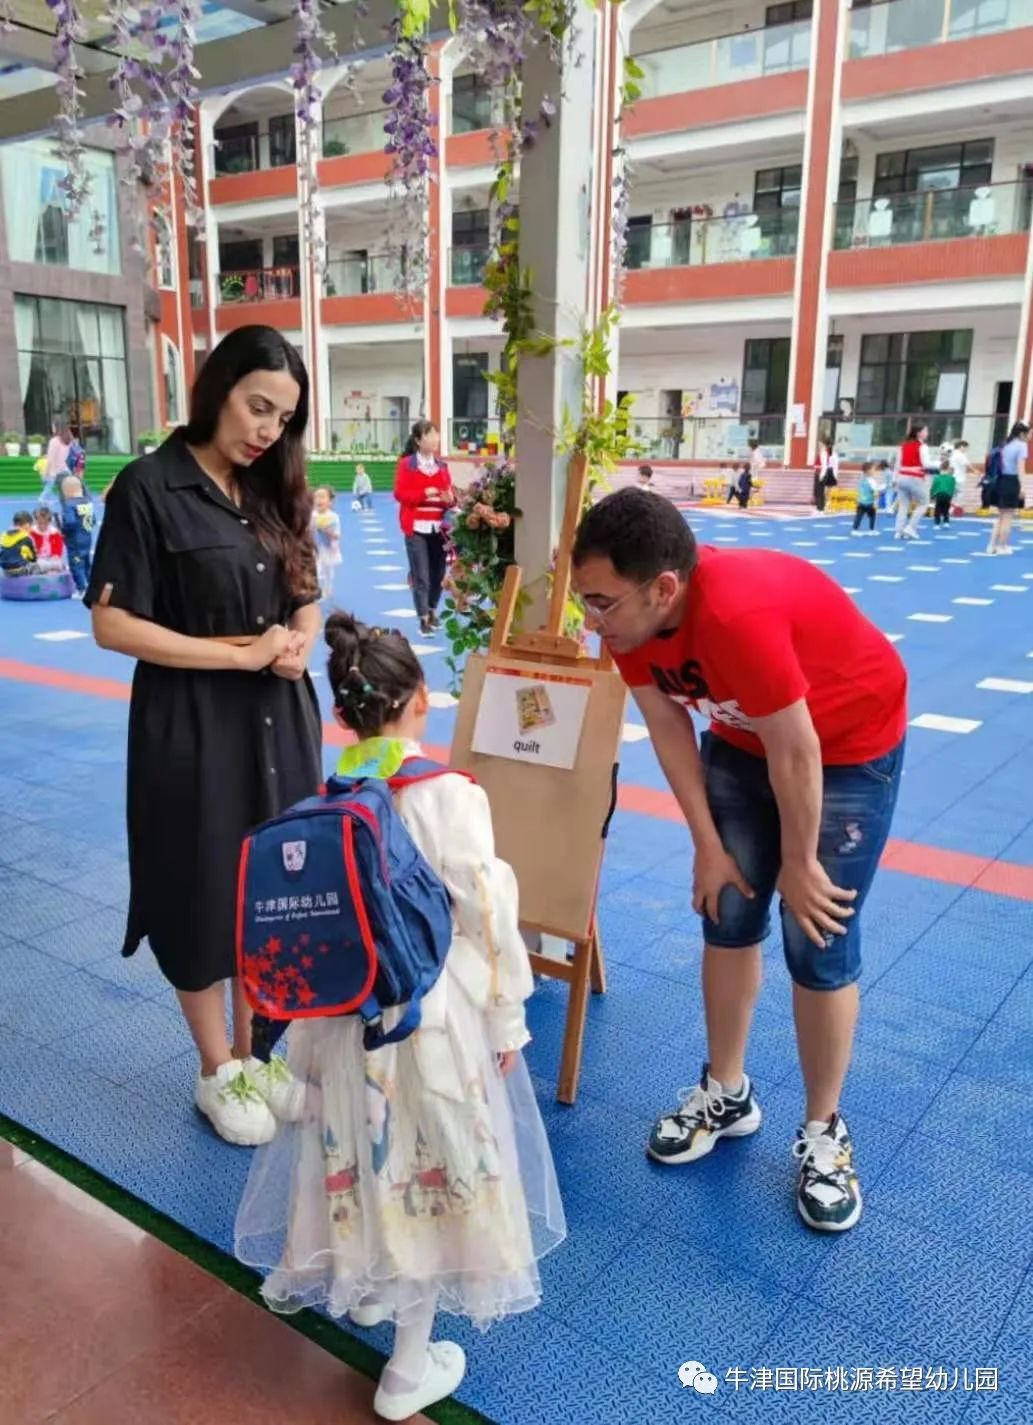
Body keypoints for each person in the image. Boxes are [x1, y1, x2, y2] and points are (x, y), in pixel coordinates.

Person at [235, 613, 565, 1421]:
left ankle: (368, 1286)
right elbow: (486, 910)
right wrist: (509, 1017)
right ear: (422, 700)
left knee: (358, 1158)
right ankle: (406, 1371)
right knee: (429, 1181)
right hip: (431, 1021)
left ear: (344, 714)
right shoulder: (449, 792)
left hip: (345, 1022)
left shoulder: (334, 793)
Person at [570, 488, 907, 1233]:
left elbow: (799, 751)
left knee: (815, 933)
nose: (590, 623)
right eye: (582, 604)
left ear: (663, 587)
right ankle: (727, 1091)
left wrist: (797, 859)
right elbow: (666, 727)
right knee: (724, 906)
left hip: (844, 746)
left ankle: (824, 1130)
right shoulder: (630, 630)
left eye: (599, 603)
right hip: (747, 739)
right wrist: (707, 847)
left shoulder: (735, 613)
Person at [85, 325, 323, 1147]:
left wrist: (297, 641)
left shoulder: (272, 487)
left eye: (284, 418)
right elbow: (112, 624)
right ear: (217, 387)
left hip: (280, 720)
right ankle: (216, 1065)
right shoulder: (148, 487)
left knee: (273, 888)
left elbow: (305, 593)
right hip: (190, 725)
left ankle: (259, 1052)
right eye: (259, 407)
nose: (268, 430)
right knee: (200, 884)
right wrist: (236, 654)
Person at [394, 419, 454, 638]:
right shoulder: (406, 465)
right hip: (416, 528)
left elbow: (450, 498)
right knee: (421, 576)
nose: (435, 439)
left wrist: (450, 498)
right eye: (430, 435)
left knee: (438, 573)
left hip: (439, 529)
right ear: (418, 441)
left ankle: (431, 610)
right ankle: (423, 619)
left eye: (436, 435)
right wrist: (423, 493)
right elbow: (400, 494)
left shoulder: (443, 467)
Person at [987, 421, 1028, 556]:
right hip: (1011, 481)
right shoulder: (1021, 446)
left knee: (1001, 515)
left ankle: (991, 545)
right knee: (1008, 516)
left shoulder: (1005, 443)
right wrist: (1023, 486)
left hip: (1000, 480)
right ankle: (1003, 546)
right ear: (1022, 434)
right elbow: (1021, 469)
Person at [58, 470, 96, 597]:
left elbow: (70, 522)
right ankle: (92, 585)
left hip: (74, 540)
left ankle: (81, 589)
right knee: (86, 562)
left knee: (75, 563)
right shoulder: (88, 502)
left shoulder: (69, 504)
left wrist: (62, 529)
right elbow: (93, 520)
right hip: (87, 537)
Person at [894, 422, 931, 541]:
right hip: (915, 477)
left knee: (903, 505)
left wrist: (895, 479)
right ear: (919, 433)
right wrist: (940, 465)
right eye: (925, 430)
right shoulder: (923, 446)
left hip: (901, 477)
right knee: (924, 503)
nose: (927, 433)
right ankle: (911, 527)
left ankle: (898, 532)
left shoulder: (903, 445)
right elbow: (926, 464)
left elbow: (897, 463)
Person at [311, 484, 342, 600]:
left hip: (328, 548)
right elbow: (308, 530)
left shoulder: (333, 517)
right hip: (315, 548)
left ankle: (327, 589)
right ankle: (317, 590)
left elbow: (336, 535)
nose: (319, 500)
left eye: (322, 497)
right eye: (316, 497)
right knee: (317, 570)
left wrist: (327, 530)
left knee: (328, 569)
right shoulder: (312, 515)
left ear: (330, 501)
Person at [41, 423, 72, 508]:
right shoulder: (69, 441)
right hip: (65, 470)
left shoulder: (54, 441)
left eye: (54, 427)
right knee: (65, 495)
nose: (53, 428)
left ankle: (43, 501)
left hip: (54, 471)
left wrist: (46, 473)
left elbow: (51, 459)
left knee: (48, 488)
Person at [0, 511, 39, 576]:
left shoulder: (3, 535)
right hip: (20, 570)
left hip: (5, 569)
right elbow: (33, 558)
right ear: (27, 524)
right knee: (37, 565)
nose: (31, 528)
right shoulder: (27, 537)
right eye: (31, 525)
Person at [31, 506, 66, 570]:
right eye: (40, 523)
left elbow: (58, 547)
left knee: (58, 565)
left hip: (51, 559)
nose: (42, 526)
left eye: (45, 523)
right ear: (36, 521)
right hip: (38, 559)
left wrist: (55, 556)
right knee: (37, 564)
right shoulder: (32, 532)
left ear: (49, 522)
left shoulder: (54, 532)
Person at [851, 461, 877, 534]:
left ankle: (855, 529)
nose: (874, 471)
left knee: (858, 516)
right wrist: (885, 486)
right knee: (872, 516)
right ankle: (871, 530)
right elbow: (875, 488)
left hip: (861, 501)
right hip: (869, 502)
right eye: (873, 469)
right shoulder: (871, 480)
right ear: (869, 471)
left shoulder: (862, 479)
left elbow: (859, 488)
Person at [930, 459, 957, 527]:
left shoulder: (937, 478)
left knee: (938, 509)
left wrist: (931, 495)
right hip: (948, 495)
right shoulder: (952, 478)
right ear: (948, 470)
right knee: (946, 508)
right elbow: (952, 487)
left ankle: (937, 523)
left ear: (940, 470)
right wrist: (951, 495)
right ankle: (946, 522)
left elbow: (934, 487)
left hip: (939, 494)